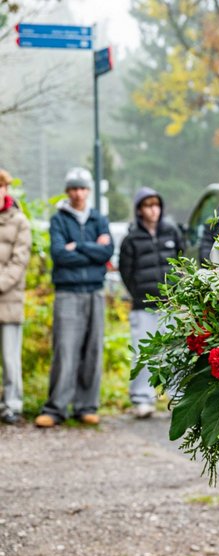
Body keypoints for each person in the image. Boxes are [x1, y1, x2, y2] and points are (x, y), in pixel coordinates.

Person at [34, 168, 113, 428]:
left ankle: (86, 406)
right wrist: (93, 250)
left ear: (88, 191)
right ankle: (55, 408)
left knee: (93, 349)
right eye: (74, 188)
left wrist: (77, 246)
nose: (78, 193)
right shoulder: (59, 220)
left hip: (94, 291)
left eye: (82, 188)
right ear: (68, 191)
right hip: (67, 292)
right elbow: (59, 254)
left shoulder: (99, 219)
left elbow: (107, 252)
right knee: (65, 350)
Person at [119, 187, 185, 418]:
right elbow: (125, 272)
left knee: (176, 352)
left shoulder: (171, 232)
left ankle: (178, 397)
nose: (153, 210)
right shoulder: (131, 239)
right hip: (143, 306)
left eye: (156, 204)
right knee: (143, 353)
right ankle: (142, 399)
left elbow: (182, 262)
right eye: (148, 205)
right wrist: (139, 293)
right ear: (139, 210)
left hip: (171, 305)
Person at [0, 169, 31, 425]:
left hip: (9, 299)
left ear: (5, 189)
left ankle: (12, 405)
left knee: (10, 358)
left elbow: (19, 261)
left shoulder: (20, 221)